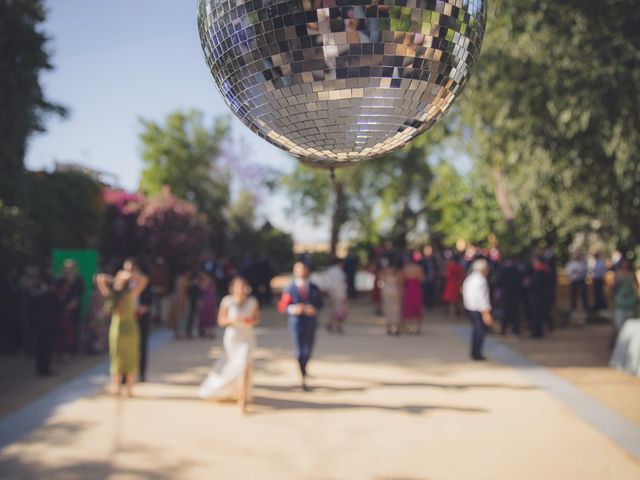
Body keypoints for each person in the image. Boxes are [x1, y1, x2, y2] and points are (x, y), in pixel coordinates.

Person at [199, 276, 260, 413]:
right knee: (234, 366)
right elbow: (221, 321)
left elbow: (256, 319)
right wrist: (233, 320)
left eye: (243, 286)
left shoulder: (252, 301)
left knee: (244, 366)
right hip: (233, 339)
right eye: (238, 286)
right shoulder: (227, 301)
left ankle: (242, 399)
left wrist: (249, 320)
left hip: (247, 338)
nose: (241, 289)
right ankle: (237, 393)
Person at [96, 265, 149, 397]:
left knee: (117, 358)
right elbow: (144, 280)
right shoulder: (130, 295)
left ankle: (117, 387)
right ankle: (129, 389)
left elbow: (99, 279)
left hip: (117, 330)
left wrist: (115, 279)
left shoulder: (112, 295)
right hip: (130, 330)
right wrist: (130, 275)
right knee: (130, 358)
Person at [278, 261, 323, 391]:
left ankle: (304, 368)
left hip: (310, 321)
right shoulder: (290, 288)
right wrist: (293, 309)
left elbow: (320, 304)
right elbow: (283, 306)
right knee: (299, 350)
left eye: (303, 269)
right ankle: (302, 374)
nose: (301, 272)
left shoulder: (314, 287)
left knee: (308, 349)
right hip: (296, 322)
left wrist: (313, 309)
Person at [32, 278, 68, 376]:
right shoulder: (54, 296)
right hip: (49, 326)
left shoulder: (41, 295)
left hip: (42, 325)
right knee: (46, 348)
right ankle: (45, 369)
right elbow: (59, 310)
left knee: (42, 348)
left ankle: (42, 369)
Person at [462, 259, 493, 361]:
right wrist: (486, 313)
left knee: (476, 330)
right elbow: (483, 298)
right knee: (479, 331)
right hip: (478, 308)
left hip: (470, 307)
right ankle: (477, 353)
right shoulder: (481, 280)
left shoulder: (470, 278)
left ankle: (475, 352)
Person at [62, 260, 85, 354]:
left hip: (75, 307)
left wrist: (75, 302)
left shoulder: (79, 279)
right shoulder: (62, 279)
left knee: (75, 328)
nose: (69, 270)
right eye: (67, 268)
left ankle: (74, 349)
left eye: (71, 268)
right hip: (63, 307)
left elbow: (81, 292)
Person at [527, 256, 552, 338]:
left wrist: (529, 283)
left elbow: (536, 284)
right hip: (542, 297)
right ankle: (539, 331)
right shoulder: (545, 270)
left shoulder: (539, 271)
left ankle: (536, 332)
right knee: (539, 315)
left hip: (537, 297)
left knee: (536, 315)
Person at [498, 256, 523, 336]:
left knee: (505, 312)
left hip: (506, 294)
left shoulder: (504, 270)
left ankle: (503, 329)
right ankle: (516, 329)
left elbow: (500, 282)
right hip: (516, 294)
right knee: (515, 313)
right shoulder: (517, 270)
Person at [612, 259, 638, 332]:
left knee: (631, 315)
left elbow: (636, 285)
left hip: (630, 296)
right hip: (621, 296)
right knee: (620, 315)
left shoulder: (632, 273)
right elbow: (614, 286)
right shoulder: (618, 273)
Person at [324, 257, 349, 334]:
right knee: (340, 311)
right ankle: (337, 325)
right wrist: (342, 296)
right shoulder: (338, 272)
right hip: (339, 294)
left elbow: (328, 283)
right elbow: (339, 285)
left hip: (333, 293)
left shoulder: (330, 271)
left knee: (335, 310)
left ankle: (332, 324)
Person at [402, 255, 425, 334]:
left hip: (409, 288)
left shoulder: (406, 268)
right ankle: (416, 327)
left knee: (408, 306)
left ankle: (408, 326)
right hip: (416, 288)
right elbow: (422, 278)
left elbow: (403, 278)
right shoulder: (418, 268)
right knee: (416, 306)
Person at [198, 271, 218, 338]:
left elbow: (202, 288)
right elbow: (214, 290)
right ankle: (210, 332)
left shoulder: (205, 280)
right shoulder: (211, 281)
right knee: (210, 315)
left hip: (206, 300)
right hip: (211, 299)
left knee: (206, 315)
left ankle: (207, 332)